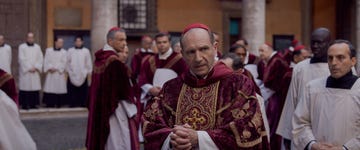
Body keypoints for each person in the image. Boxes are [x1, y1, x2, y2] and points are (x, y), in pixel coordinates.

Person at [143, 23, 269, 149]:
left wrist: (199, 138)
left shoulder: (238, 85)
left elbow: (248, 129)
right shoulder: (170, 89)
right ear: (182, 54)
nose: (198, 58)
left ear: (214, 48)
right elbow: (151, 126)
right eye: (191, 52)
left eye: (203, 49)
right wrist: (173, 139)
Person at [292, 40, 360, 150]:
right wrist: (312, 144)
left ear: (353, 61)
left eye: (340, 57)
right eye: (330, 58)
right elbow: (301, 123)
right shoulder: (312, 88)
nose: (334, 63)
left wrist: (345, 148)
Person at [276, 28, 331, 150]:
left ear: (329, 44)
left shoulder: (339, 68)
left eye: (319, 42)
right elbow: (292, 101)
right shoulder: (300, 68)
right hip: (303, 131)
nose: (315, 46)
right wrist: (288, 134)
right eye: (313, 42)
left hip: (331, 130)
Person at [86, 27, 139, 150]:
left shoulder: (99, 60)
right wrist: (133, 110)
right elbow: (123, 94)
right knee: (118, 141)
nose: (124, 43)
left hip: (99, 110)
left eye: (125, 40)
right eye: (120, 40)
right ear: (110, 41)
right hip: (115, 110)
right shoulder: (115, 62)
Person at [257, 43, 290, 150]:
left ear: (270, 50)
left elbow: (279, 83)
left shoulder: (278, 61)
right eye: (259, 51)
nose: (260, 53)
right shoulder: (266, 62)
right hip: (269, 96)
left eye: (262, 51)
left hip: (276, 98)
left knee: (273, 123)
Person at [18, 32, 43, 109]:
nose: (30, 39)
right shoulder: (22, 47)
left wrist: (36, 67)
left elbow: (40, 58)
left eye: (32, 37)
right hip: (26, 72)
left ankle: (34, 104)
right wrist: (29, 68)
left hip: (35, 71)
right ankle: (25, 104)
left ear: (34, 38)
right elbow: (21, 59)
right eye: (29, 37)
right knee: (25, 88)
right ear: (26, 38)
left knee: (34, 88)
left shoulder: (37, 47)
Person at [66, 36, 92, 107]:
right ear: (74, 42)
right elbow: (67, 62)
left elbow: (88, 62)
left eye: (79, 41)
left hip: (82, 74)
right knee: (72, 91)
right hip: (72, 74)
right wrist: (69, 71)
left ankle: (83, 103)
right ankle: (72, 104)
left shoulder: (86, 51)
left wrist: (88, 71)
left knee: (83, 91)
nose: (78, 42)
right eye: (76, 41)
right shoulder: (70, 50)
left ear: (82, 42)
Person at [43, 37, 67, 108]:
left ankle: (59, 103)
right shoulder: (48, 50)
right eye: (59, 42)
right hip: (51, 73)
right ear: (55, 42)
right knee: (50, 88)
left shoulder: (64, 52)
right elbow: (46, 60)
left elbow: (64, 62)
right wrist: (50, 67)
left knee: (59, 88)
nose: (61, 44)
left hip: (59, 73)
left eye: (62, 42)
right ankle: (50, 103)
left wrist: (56, 68)